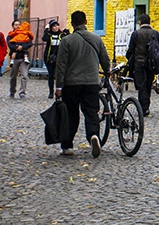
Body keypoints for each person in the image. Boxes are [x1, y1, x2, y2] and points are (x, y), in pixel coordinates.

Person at [55, 10, 110, 158]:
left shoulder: (66, 41)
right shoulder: (96, 39)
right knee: (91, 112)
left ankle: (67, 146)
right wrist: (107, 72)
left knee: (71, 114)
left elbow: (61, 66)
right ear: (86, 22)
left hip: (71, 84)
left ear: (72, 24)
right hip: (91, 82)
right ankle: (93, 136)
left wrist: (59, 86)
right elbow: (105, 59)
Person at [126, 13, 159, 117]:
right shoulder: (155, 33)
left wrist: (129, 58)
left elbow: (131, 49)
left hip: (139, 62)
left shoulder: (136, 34)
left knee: (141, 84)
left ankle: (144, 107)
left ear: (140, 22)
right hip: (152, 63)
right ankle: (145, 105)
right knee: (148, 84)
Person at [6, 19, 34, 99]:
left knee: (24, 76)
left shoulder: (25, 33)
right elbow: (9, 45)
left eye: (19, 24)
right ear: (13, 26)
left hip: (24, 57)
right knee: (13, 76)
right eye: (16, 25)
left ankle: (22, 92)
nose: (18, 26)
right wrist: (17, 48)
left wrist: (22, 47)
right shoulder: (11, 35)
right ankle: (12, 91)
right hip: (15, 58)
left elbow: (30, 43)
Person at [42, 20, 68, 99]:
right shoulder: (49, 35)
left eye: (57, 25)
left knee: (59, 75)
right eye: (54, 26)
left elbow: (67, 39)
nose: (56, 27)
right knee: (51, 75)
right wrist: (46, 30)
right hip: (49, 58)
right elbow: (44, 38)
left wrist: (67, 32)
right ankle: (51, 91)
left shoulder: (61, 35)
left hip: (59, 58)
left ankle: (60, 90)